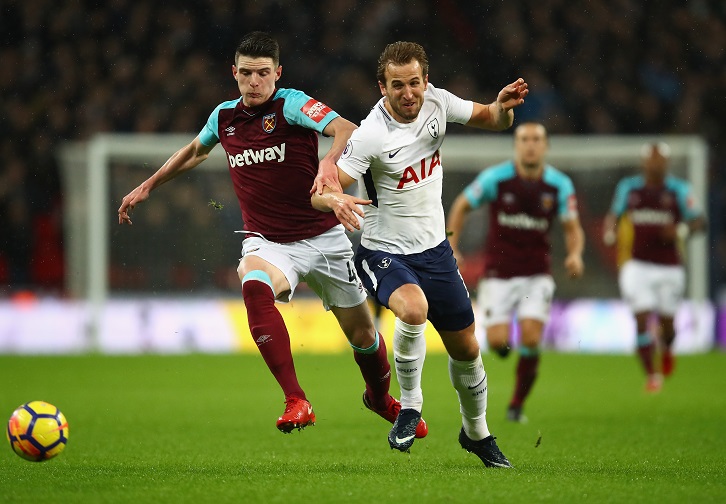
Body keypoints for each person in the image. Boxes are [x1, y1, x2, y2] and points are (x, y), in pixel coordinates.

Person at [117, 32, 428, 438]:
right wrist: (148, 186)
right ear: (234, 73)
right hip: (269, 242)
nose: (254, 82)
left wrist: (329, 163)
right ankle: (296, 399)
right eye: (246, 73)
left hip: (324, 235)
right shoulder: (223, 117)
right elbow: (195, 151)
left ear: (277, 73)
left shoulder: (292, 104)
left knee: (364, 336)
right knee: (253, 282)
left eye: (263, 73)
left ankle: (378, 397)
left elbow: (347, 129)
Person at [312, 41, 528, 469]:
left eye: (414, 83)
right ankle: (410, 408)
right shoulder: (371, 134)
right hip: (385, 253)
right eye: (397, 85)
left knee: (467, 349)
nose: (408, 93)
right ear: (382, 87)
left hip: (436, 252)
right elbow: (324, 189)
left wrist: (502, 107)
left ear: (425, 81)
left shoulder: (438, 103)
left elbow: (492, 118)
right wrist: (335, 202)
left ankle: (477, 433)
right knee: (412, 309)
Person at [447, 122, 585, 423]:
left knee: (532, 338)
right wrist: (452, 244)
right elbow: (461, 205)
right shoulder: (497, 178)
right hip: (498, 273)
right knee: (497, 342)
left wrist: (575, 255)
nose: (531, 145)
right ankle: (505, 350)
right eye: (525, 139)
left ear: (546, 146)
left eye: (537, 139)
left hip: (537, 274)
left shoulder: (559, 185)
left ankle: (516, 405)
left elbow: (572, 227)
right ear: (516, 145)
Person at [602, 142, 706, 392]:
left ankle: (668, 348)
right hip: (636, 265)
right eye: (651, 158)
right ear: (644, 162)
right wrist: (610, 231)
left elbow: (700, 222)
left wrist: (680, 229)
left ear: (667, 163)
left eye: (660, 159)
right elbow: (614, 216)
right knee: (640, 318)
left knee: (668, 326)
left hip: (670, 267)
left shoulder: (679, 190)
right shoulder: (629, 188)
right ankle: (652, 375)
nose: (655, 163)